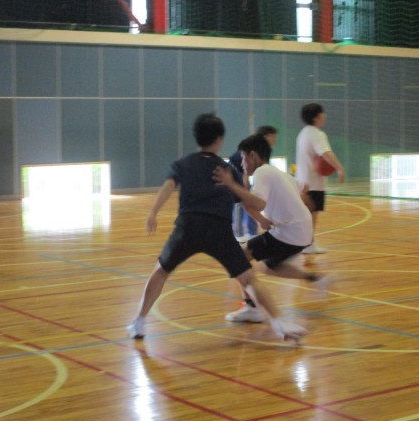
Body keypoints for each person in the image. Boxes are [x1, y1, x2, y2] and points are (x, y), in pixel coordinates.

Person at [126, 113, 307, 343]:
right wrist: (260, 219)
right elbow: (246, 201)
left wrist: (153, 212)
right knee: (249, 279)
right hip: (219, 232)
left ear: (196, 137)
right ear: (219, 139)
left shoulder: (183, 164)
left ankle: (139, 322)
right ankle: (280, 324)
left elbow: (169, 185)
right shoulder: (227, 170)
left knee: (161, 271)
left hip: (188, 228)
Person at [213, 134, 326, 323]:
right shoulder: (277, 172)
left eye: (243, 157)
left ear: (253, 156)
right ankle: (314, 278)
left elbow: (257, 203)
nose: (242, 163)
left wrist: (231, 184)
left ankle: (252, 308)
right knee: (269, 267)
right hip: (301, 232)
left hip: (290, 231)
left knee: (240, 256)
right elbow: (303, 187)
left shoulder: (262, 172)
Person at [295, 103, 345, 254]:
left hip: (302, 181)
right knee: (312, 214)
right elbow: (325, 153)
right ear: (317, 117)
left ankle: (305, 243)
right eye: (323, 113)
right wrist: (339, 168)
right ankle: (307, 244)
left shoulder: (303, 133)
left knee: (307, 215)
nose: (325, 115)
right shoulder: (317, 134)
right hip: (313, 183)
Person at [229, 125, 278, 242]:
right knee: (241, 202)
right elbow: (243, 166)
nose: (274, 139)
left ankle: (251, 232)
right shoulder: (252, 148)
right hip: (236, 172)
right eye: (272, 136)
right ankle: (238, 234)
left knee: (250, 201)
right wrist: (244, 182)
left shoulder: (263, 153)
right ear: (266, 136)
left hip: (244, 173)